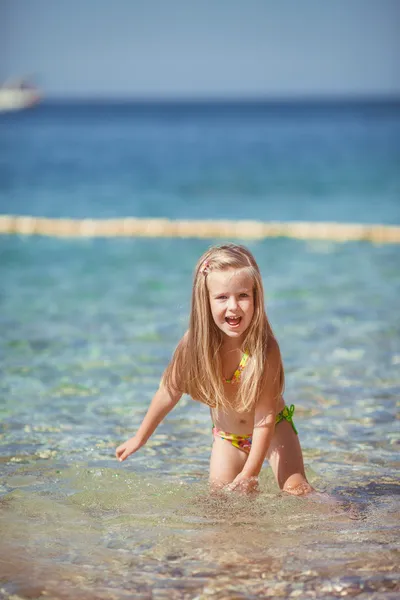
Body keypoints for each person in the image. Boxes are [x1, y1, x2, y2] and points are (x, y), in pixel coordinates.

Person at [116, 243, 313, 496]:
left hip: (273, 428)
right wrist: (140, 438)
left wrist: (249, 473)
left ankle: (348, 514)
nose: (233, 306)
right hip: (227, 437)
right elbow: (169, 391)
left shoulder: (264, 348)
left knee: (298, 491)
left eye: (243, 295)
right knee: (220, 503)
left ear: (256, 298)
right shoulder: (193, 346)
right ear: (205, 302)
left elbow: (264, 419)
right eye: (222, 297)